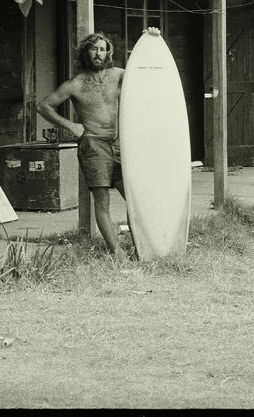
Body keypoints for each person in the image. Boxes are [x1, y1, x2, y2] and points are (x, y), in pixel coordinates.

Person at [36, 28, 161, 255]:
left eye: (102, 49)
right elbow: (43, 106)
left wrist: (150, 40)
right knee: (102, 200)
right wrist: (70, 125)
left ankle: (143, 248)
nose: (98, 53)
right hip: (93, 145)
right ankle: (117, 253)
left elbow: (146, 73)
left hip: (119, 143)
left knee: (134, 198)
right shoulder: (75, 84)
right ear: (86, 52)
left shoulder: (118, 74)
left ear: (108, 53)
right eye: (94, 49)